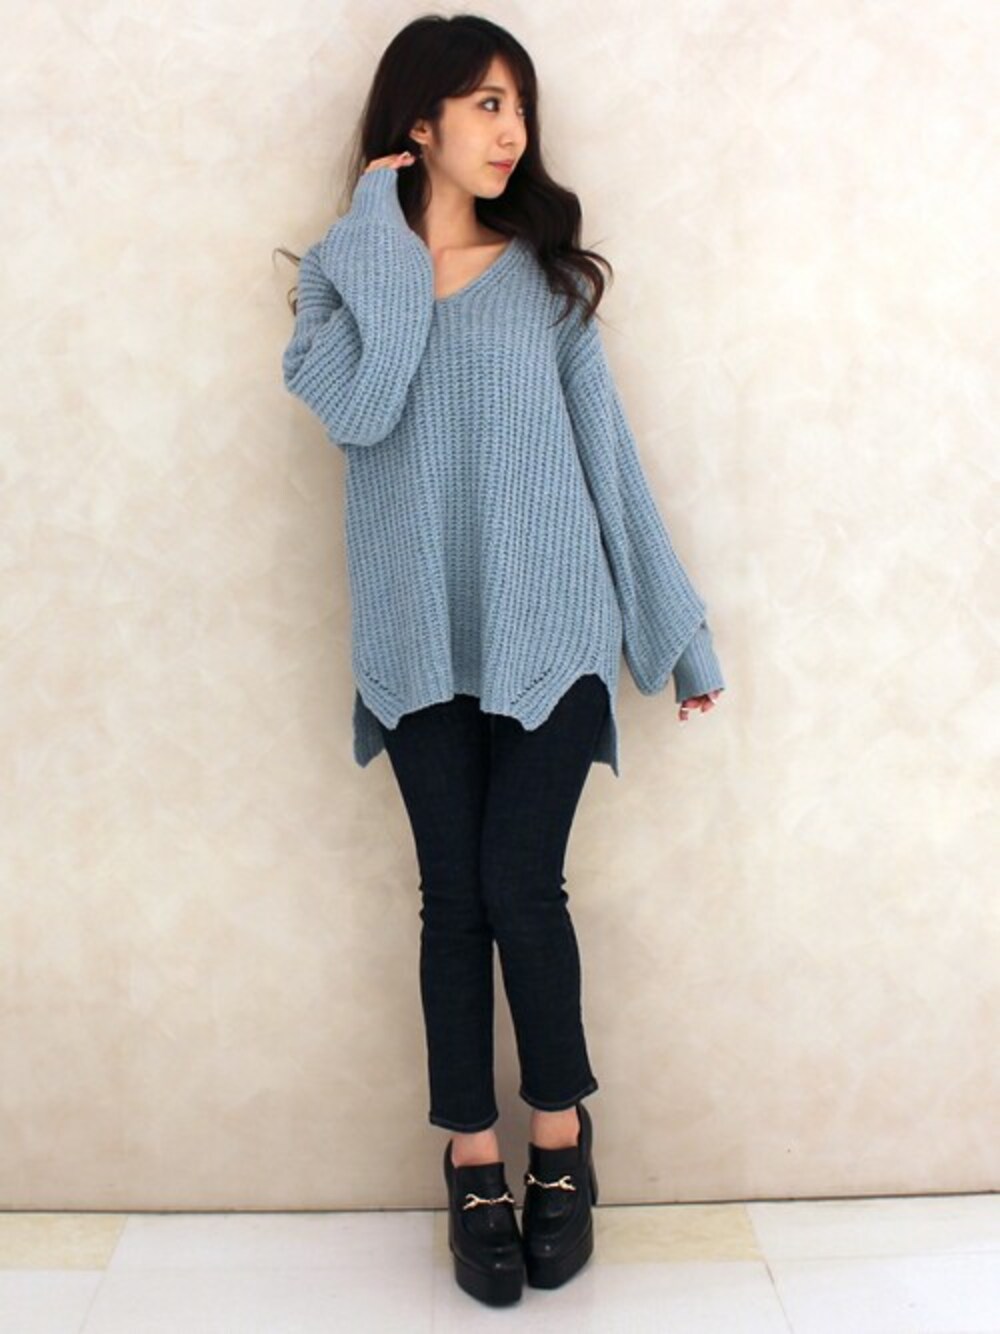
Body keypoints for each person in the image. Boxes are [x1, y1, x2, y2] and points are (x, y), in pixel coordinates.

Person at [279, 13, 725, 1307]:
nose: (511, 129)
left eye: (517, 104)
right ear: (417, 122)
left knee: (522, 887)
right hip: (418, 640)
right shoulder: (341, 281)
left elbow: (609, 458)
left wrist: (675, 628)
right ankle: (471, 1159)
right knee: (452, 900)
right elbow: (363, 407)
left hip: (552, 628)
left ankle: (561, 1141)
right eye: (484, 102)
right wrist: (382, 234)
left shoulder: (544, 280)